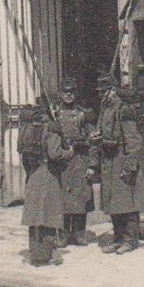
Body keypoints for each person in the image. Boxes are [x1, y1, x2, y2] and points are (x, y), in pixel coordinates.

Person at [96, 74, 144, 254]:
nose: (102, 95)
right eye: (100, 92)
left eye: (105, 91)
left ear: (113, 90)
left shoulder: (124, 110)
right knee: (114, 201)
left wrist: (130, 164)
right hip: (109, 159)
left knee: (128, 202)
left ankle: (130, 240)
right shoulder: (106, 109)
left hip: (122, 158)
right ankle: (118, 238)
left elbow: (133, 139)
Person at [20, 108, 70, 266]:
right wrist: (70, 152)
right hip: (48, 174)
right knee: (49, 214)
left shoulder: (27, 128)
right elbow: (55, 154)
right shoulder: (51, 128)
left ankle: (36, 253)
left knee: (35, 215)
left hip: (33, 174)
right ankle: (49, 254)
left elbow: (23, 155)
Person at [53, 77, 96, 246]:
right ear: (60, 94)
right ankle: (63, 234)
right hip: (62, 161)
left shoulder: (83, 115)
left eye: (72, 92)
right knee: (62, 198)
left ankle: (78, 233)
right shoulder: (54, 115)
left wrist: (93, 164)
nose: (69, 95)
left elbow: (93, 141)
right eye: (65, 92)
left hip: (80, 160)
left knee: (80, 197)